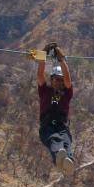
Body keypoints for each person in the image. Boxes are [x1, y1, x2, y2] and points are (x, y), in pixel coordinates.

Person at [35, 42, 75, 174]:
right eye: (56, 79)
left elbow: (68, 79)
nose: (59, 82)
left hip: (62, 126)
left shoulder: (67, 93)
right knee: (54, 139)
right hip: (47, 126)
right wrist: (42, 56)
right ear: (51, 80)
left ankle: (67, 161)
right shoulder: (45, 90)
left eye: (60, 80)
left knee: (67, 141)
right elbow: (40, 75)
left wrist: (62, 61)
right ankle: (59, 157)